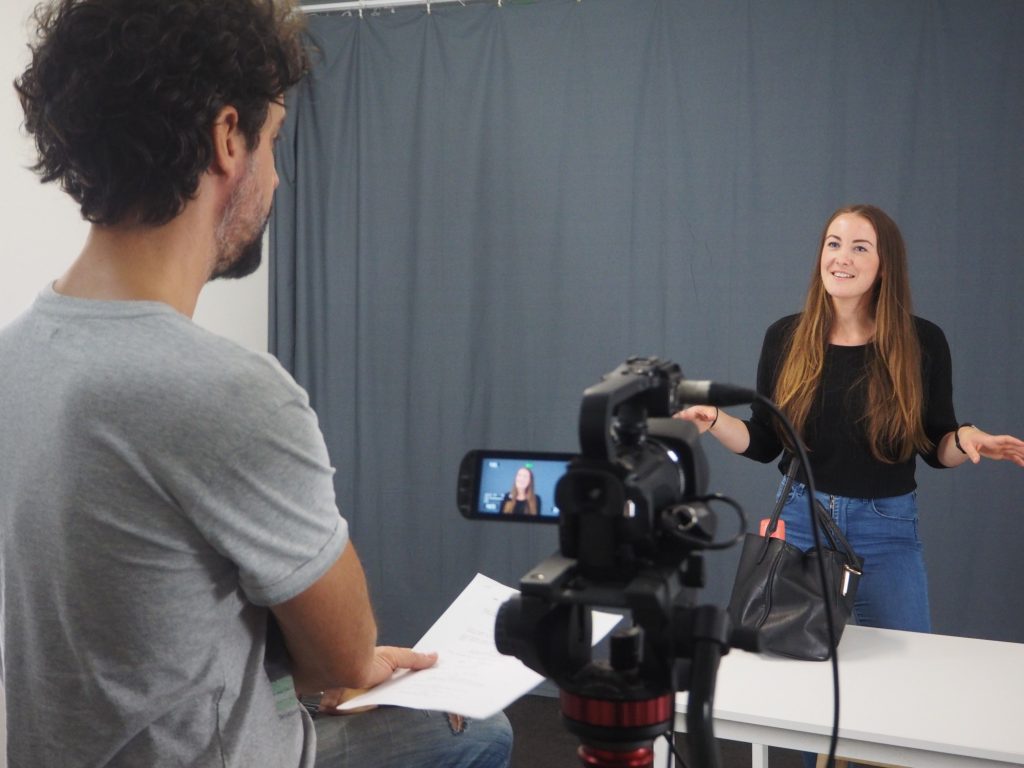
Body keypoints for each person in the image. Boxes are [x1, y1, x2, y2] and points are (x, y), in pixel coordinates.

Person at [0, 1, 512, 767]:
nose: (278, 174)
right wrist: (358, 668)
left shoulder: (19, 355)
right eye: (274, 141)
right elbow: (342, 659)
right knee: (482, 732)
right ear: (227, 138)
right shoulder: (227, 392)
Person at [676, 204, 1024, 635]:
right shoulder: (785, 337)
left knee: (904, 664)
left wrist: (967, 437)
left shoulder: (922, 341)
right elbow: (765, 441)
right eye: (834, 244)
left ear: (884, 267)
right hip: (801, 519)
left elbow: (937, 447)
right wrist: (713, 421)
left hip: (886, 527)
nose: (842, 258)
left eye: (860, 248)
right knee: (790, 668)